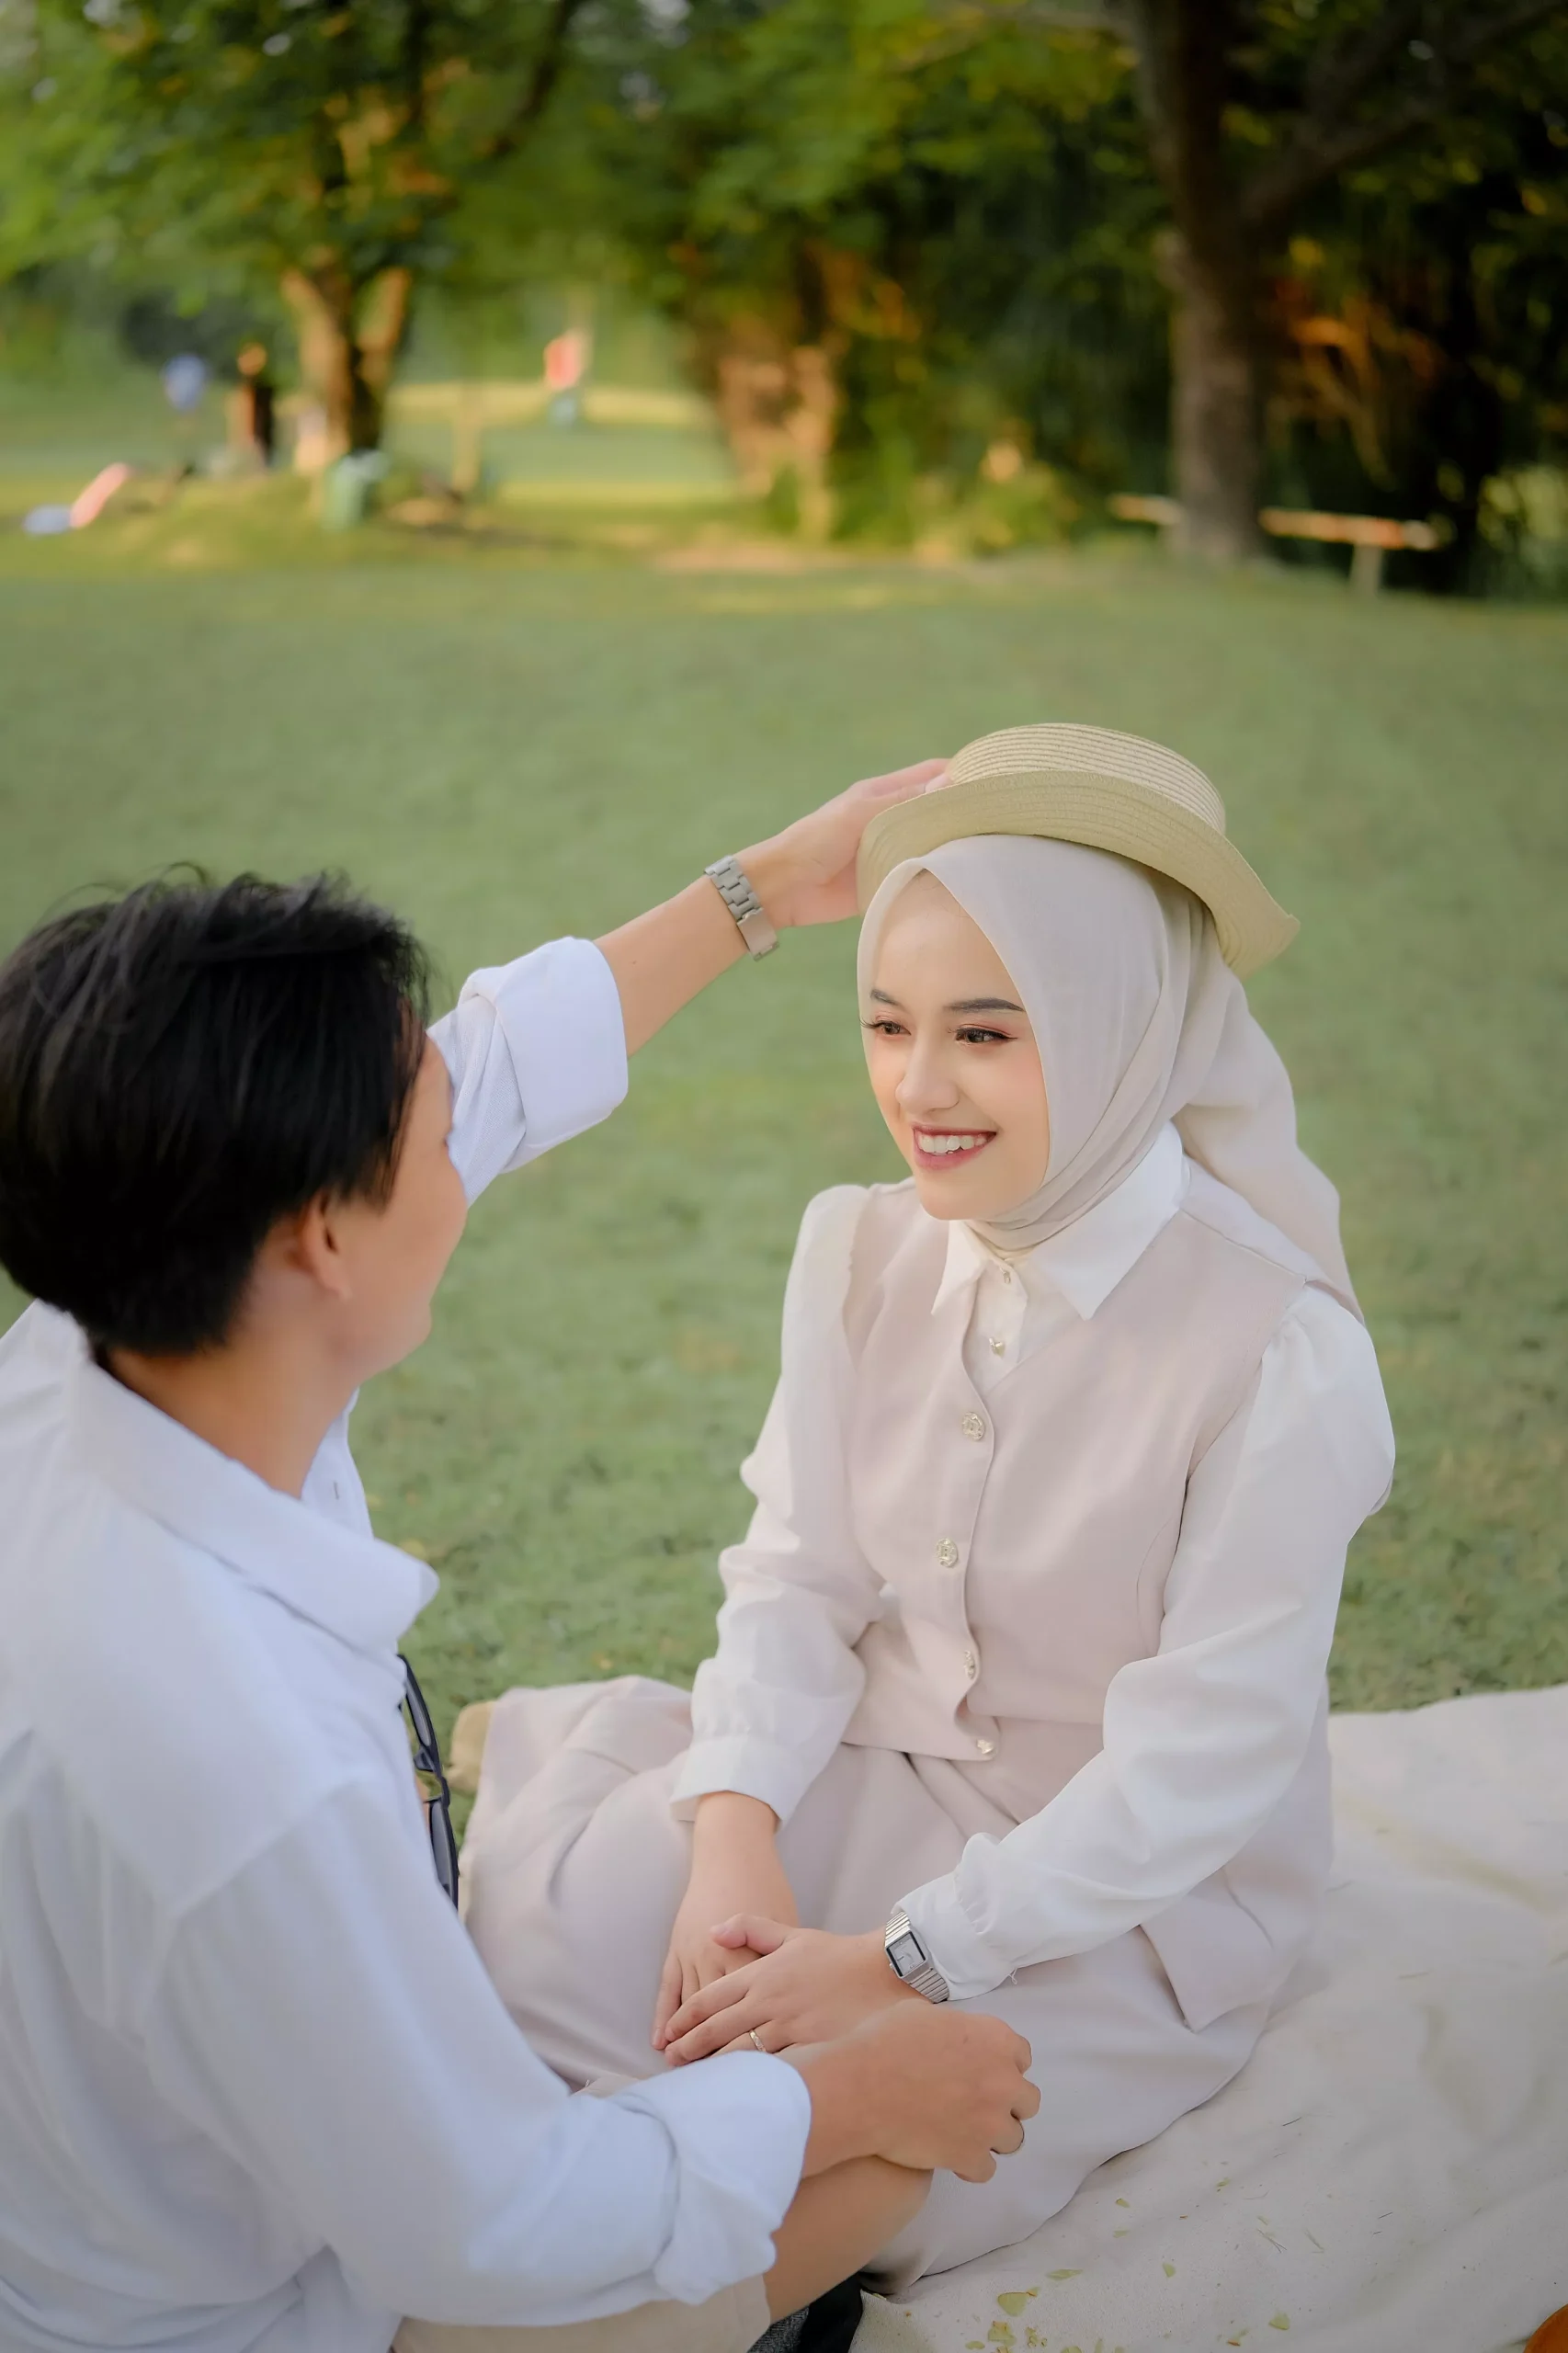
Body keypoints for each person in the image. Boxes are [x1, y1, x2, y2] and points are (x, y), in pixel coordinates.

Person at [0, 759, 1041, 2353]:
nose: (465, 1142)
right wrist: (842, 2098)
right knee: (896, 2147)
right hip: (229, 2315)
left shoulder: (80, 1352)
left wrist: (766, 884)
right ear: (319, 1239)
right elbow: (487, 2222)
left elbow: (498, 1064)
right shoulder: (249, 1771)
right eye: (430, 1129)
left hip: (115, 2180)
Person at [460, 723, 1398, 2287]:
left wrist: (901, 1963)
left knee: (916, 2127)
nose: (918, 1087)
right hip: (866, 1772)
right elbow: (796, 1579)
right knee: (541, 1959)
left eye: (986, 1033)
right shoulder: (859, 1246)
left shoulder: (1278, 1350)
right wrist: (734, 1843)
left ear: (1119, 1028)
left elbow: (1201, 1765)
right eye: (887, 1025)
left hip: (1116, 1894)